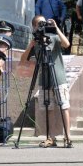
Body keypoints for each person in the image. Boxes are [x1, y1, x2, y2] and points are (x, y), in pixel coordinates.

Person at [21, 15, 73, 148]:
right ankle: (51, 138)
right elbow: (23, 59)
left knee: (64, 107)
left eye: (44, 23)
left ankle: (68, 137)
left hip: (59, 78)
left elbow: (67, 44)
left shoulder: (54, 38)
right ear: (34, 27)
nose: (43, 26)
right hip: (44, 80)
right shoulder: (36, 42)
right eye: (40, 24)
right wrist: (31, 44)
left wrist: (56, 28)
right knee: (48, 109)